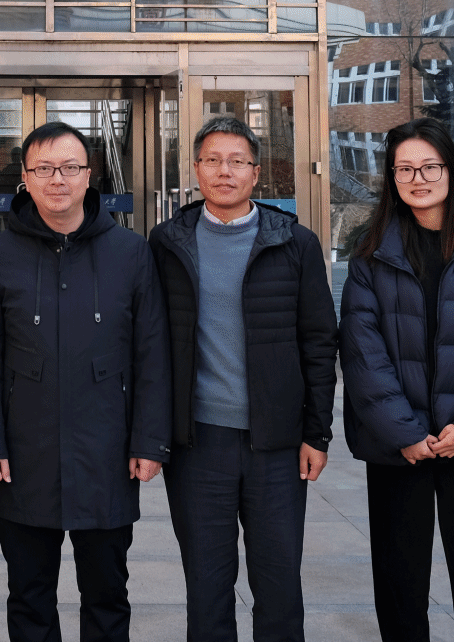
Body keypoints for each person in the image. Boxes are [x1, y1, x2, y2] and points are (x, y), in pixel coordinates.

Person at [0, 121, 170, 642]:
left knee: (107, 594)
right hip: (24, 454)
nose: (58, 179)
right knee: (29, 595)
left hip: (106, 451)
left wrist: (150, 441)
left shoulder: (130, 251)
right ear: (26, 177)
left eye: (70, 167)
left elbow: (151, 354)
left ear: (89, 175)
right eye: (44, 169)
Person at [149, 115, 337, 642]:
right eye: (212, 160)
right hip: (197, 444)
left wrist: (317, 434)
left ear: (256, 173)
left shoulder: (294, 242)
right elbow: (149, 345)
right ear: (196, 169)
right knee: (207, 588)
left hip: (275, 445)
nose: (224, 171)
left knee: (279, 588)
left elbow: (320, 343)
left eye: (237, 161)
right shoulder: (166, 243)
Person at [339, 118, 454, 642]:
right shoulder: (371, 255)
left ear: (450, 171)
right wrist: (402, 432)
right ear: (391, 177)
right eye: (404, 169)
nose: (417, 178)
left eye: (428, 167)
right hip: (399, 447)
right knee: (399, 580)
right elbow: (361, 352)